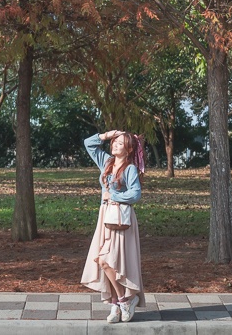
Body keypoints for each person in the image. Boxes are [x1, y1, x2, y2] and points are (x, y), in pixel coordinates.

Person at [81, 129, 146, 323]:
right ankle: (120, 302)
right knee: (104, 261)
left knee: (109, 261)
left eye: (120, 143)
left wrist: (114, 196)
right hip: (105, 217)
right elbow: (88, 143)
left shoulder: (130, 169)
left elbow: (135, 194)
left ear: (129, 149)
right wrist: (108, 134)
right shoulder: (106, 162)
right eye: (114, 142)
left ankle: (122, 301)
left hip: (120, 219)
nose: (115, 145)